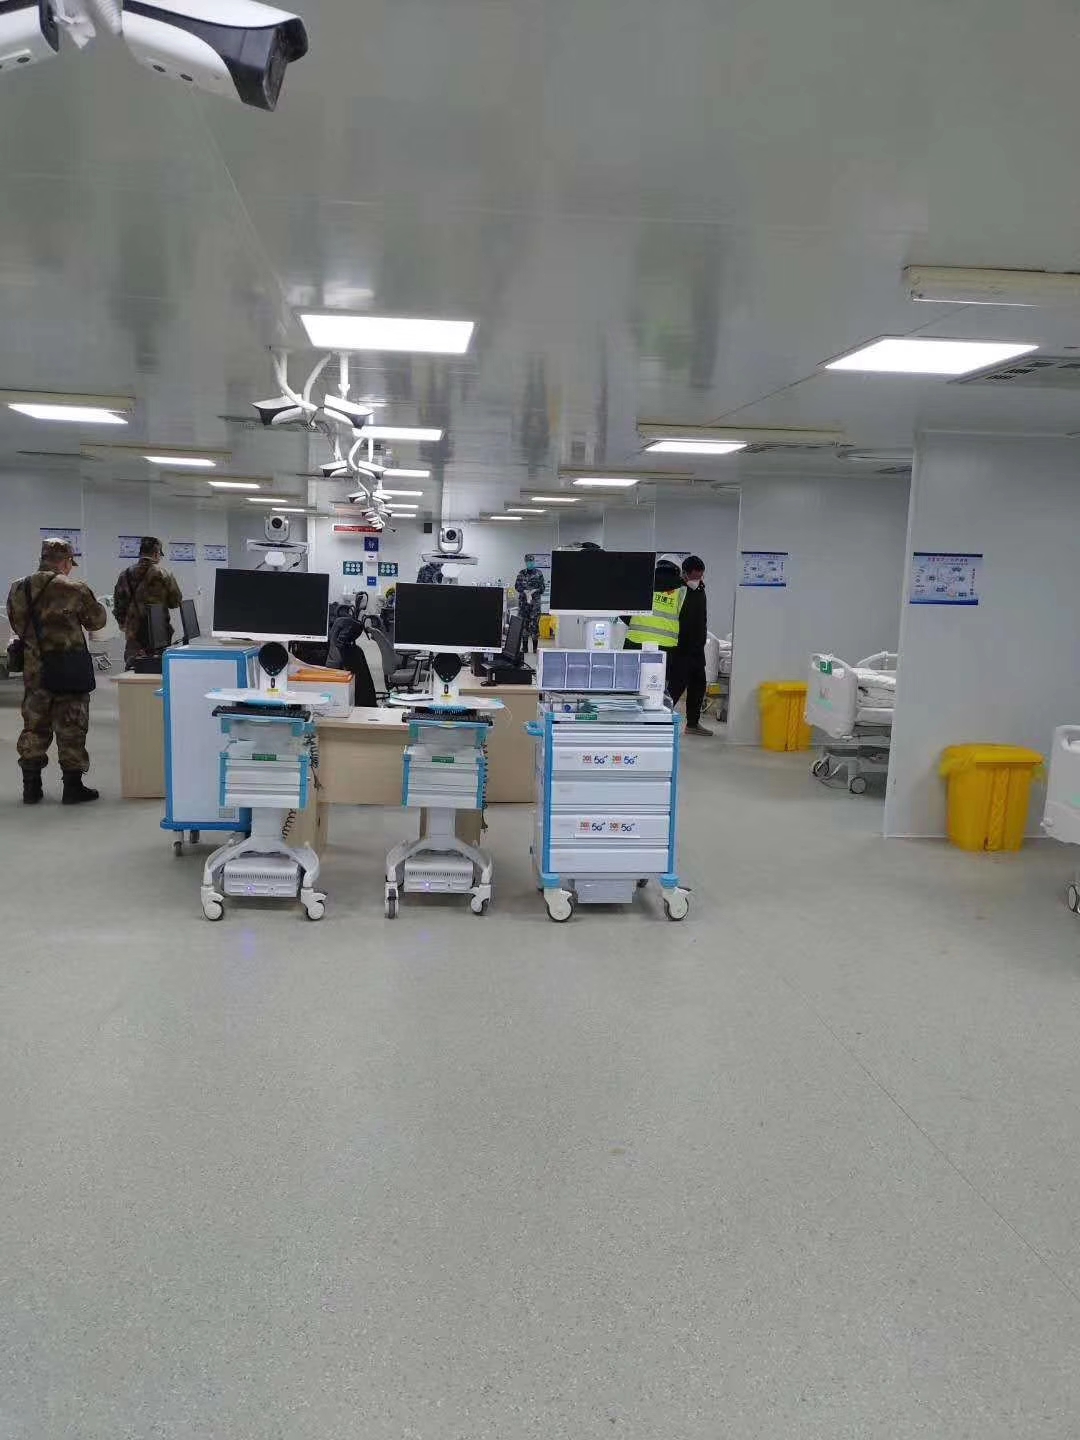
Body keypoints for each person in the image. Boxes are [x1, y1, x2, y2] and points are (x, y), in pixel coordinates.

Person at [6, 538, 107, 805]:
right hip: (68, 669)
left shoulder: (19, 587)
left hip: (35, 671)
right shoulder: (75, 588)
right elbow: (96, 621)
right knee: (72, 725)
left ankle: (31, 787)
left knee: (34, 725)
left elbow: (17, 624)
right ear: (65, 561)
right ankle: (72, 788)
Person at [113, 536, 183, 667]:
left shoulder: (125, 574)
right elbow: (175, 602)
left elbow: (118, 605)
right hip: (159, 632)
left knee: (134, 667)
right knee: (158, 668)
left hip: (134, 633)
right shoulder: (164, 574)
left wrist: (125, 625)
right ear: (156, 554)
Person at [668, 555, 711, 736]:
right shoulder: (676, 590)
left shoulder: (700, 589)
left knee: (698, 686)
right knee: (675, 688)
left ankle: (692, 724)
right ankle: (657, 721)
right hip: (681, 648)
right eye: (694, 577)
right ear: (684, 574)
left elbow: (702, 618)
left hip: (697, 649)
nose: (697, 580)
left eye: (700, 576)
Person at [623, 556, 686, 653]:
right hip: (666, 645)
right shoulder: (682, 591)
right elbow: (687, 621)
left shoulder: (642, 582)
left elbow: (623, 609)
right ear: (678, 571)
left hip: (635, 640)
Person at [514, 554, 546, 654]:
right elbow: (517, 586)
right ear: (525, 562)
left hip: (535, 605)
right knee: (524, 625)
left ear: (534, 562)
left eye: (531, 561)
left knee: (534, 625)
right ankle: (525, 648)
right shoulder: (521, 573)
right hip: (523, 604)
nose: (530, 563)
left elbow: (542, 588)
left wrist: (533, 591)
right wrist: (525, 591)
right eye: (528, 562)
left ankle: (535, 648)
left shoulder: (539, 573)